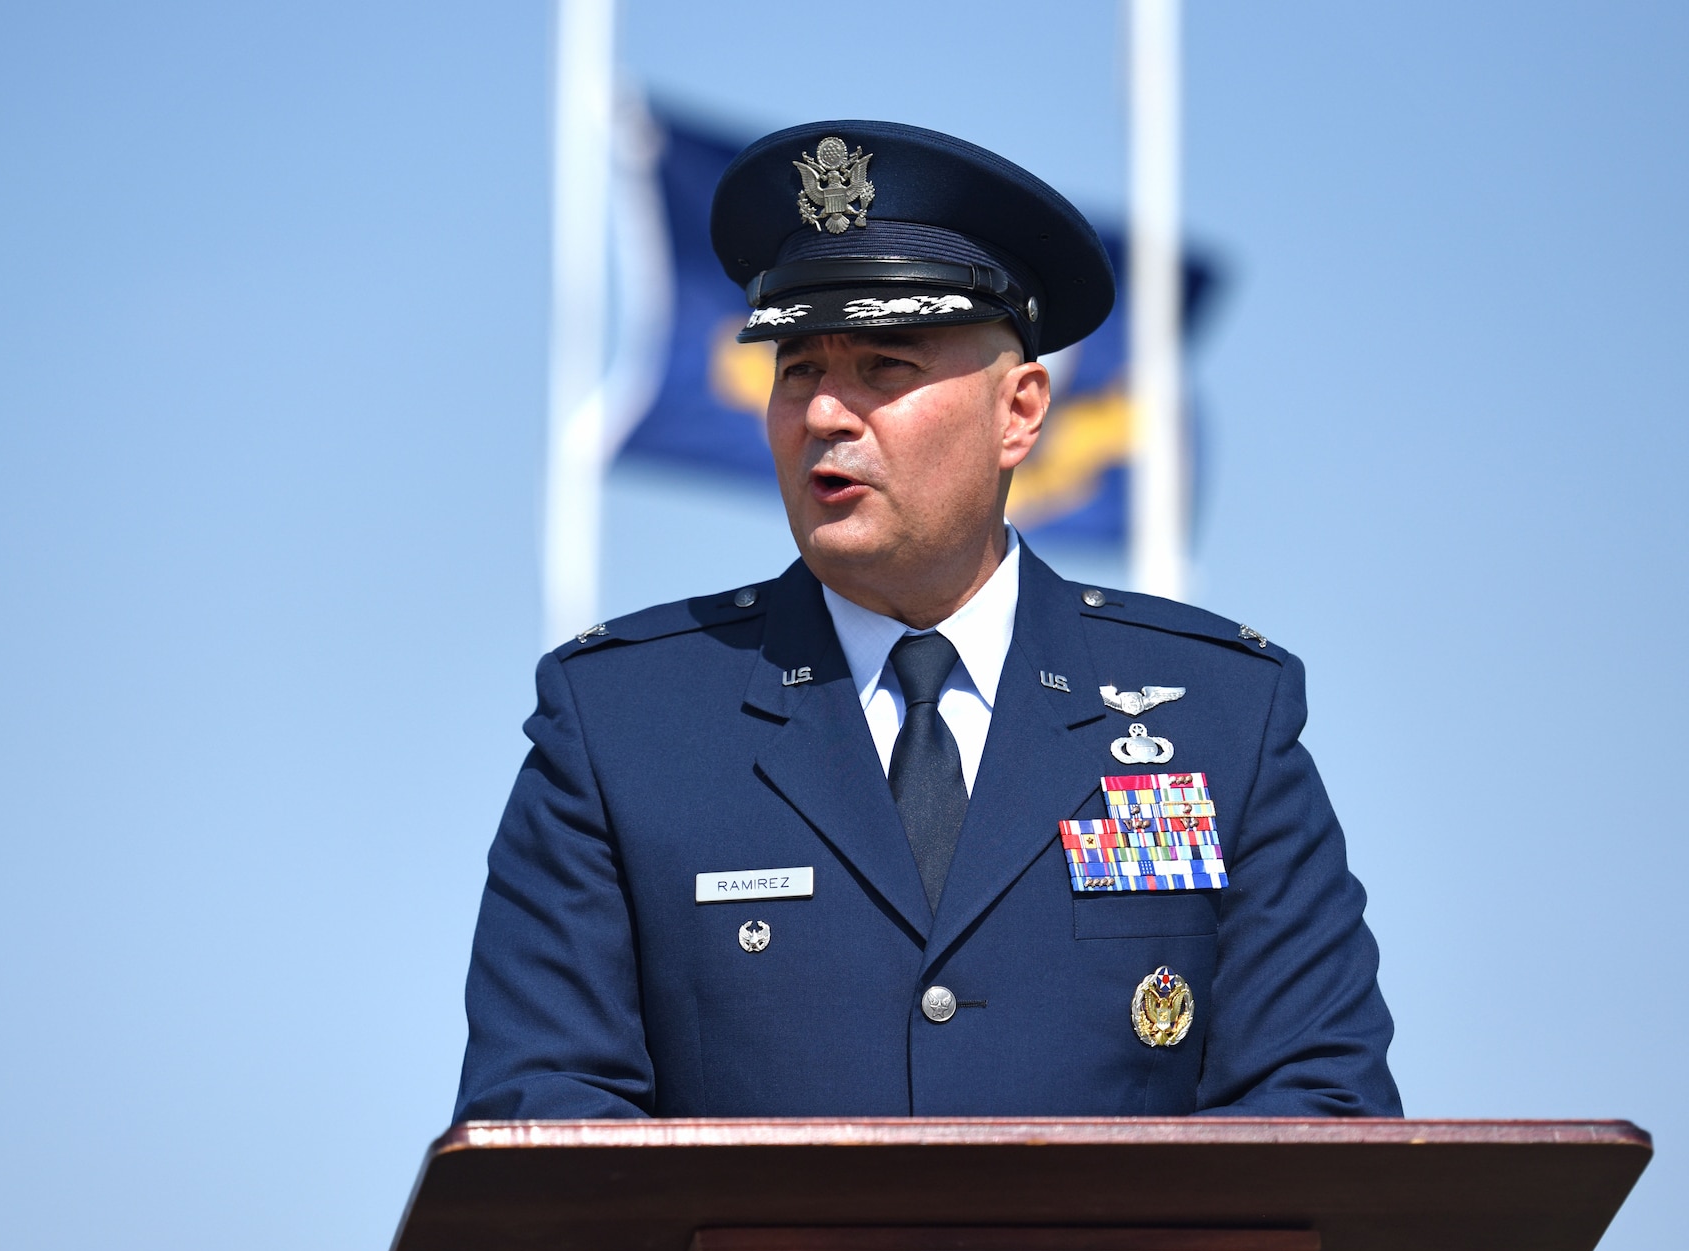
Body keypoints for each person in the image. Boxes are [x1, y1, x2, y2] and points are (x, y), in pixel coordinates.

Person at [453, 120, 1400, 1121]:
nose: (822, 414)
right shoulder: (620, 725)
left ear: (1020, 412)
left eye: (883, 369)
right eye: (797, 371)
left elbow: (1317, 1105)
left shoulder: (1223, 718)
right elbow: (543, 1116)